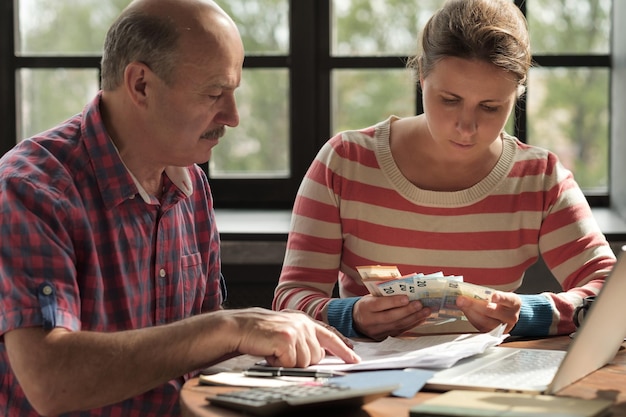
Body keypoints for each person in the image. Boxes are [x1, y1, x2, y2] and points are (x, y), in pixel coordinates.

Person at [0, 1, 360, 416]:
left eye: (233, 93)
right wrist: (232, 328)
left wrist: (286, 364)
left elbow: (202, 355)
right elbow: (50, 380)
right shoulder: (32, 189)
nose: (233, 116)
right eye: (214, 93)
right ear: (141, 86)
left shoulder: (192, 187)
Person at [273, 0, 616, 342]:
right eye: (449, 100)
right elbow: (289, 302)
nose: (466, 127)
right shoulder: (345, 163)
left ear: (518, 92)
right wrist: (352, 316)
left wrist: (530, 314)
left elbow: (614, 294)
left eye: (490, 107)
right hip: (372, 381)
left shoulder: (539, 179)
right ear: (422, 75)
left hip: (489, 382)